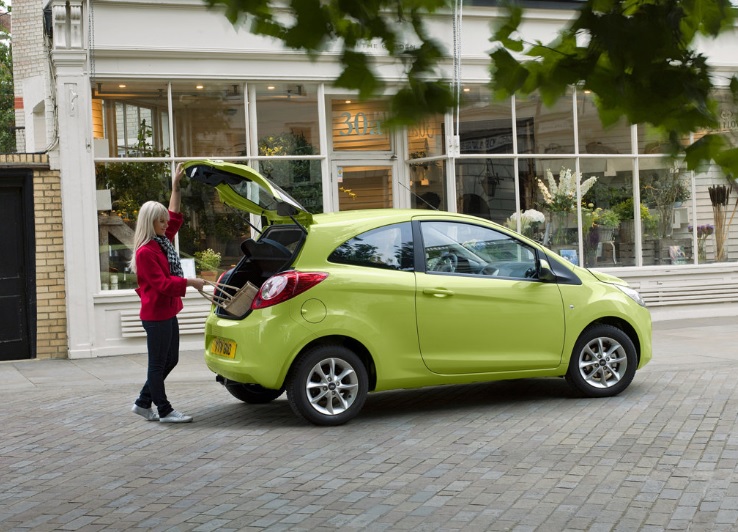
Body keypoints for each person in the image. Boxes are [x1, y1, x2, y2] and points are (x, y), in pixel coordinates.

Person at [129, 163, 205, 423]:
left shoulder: (162, 242)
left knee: (170, 360)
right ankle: (164, 410)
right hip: (156, 315)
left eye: (163, 220)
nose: (165, 223)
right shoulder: (146, 251)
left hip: (167, 312)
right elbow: (162, 284)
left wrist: (175, 187)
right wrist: (191, 282)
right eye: (160, 221)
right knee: (158, 365)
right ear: (150, 223)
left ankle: (142, 402)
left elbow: (174, 213)